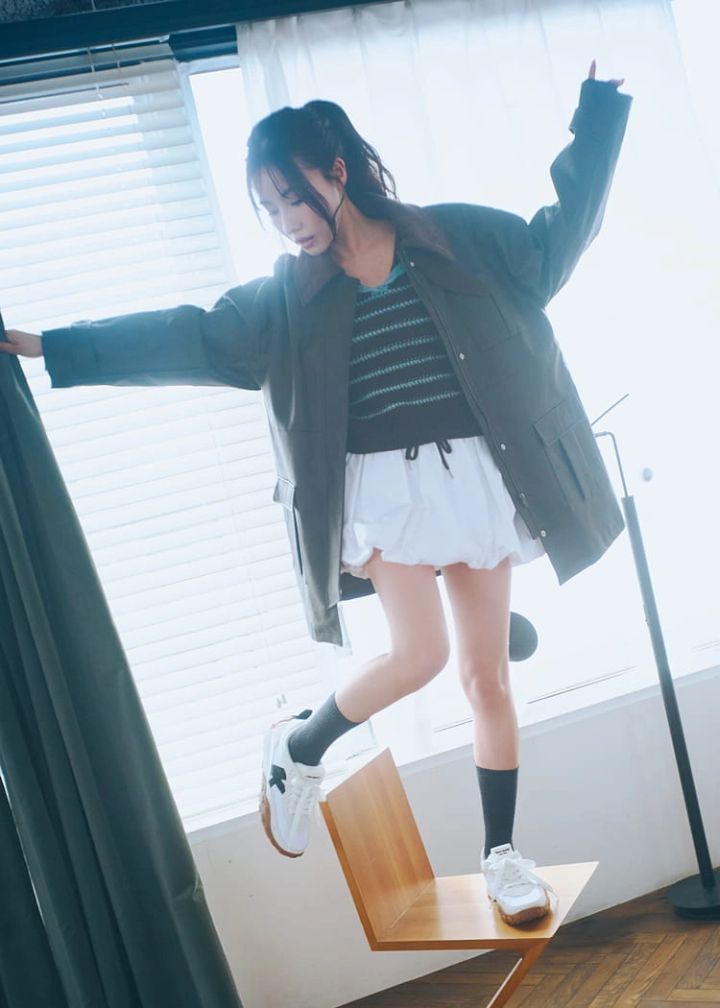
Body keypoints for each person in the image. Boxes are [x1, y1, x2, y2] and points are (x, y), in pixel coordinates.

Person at [1, 59, 630, 928]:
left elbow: (559, 236)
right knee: (421, 657)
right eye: (267, 209)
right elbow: (191, 336)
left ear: (337, 173)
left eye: (291, 198)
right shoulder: (286, 301)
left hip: (481, 478)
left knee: (487, 678)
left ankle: (501, 856)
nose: (285, 222)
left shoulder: (454, 237)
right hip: (383, 493)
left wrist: (598, 114)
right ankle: (298, 748)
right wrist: (53, 346)